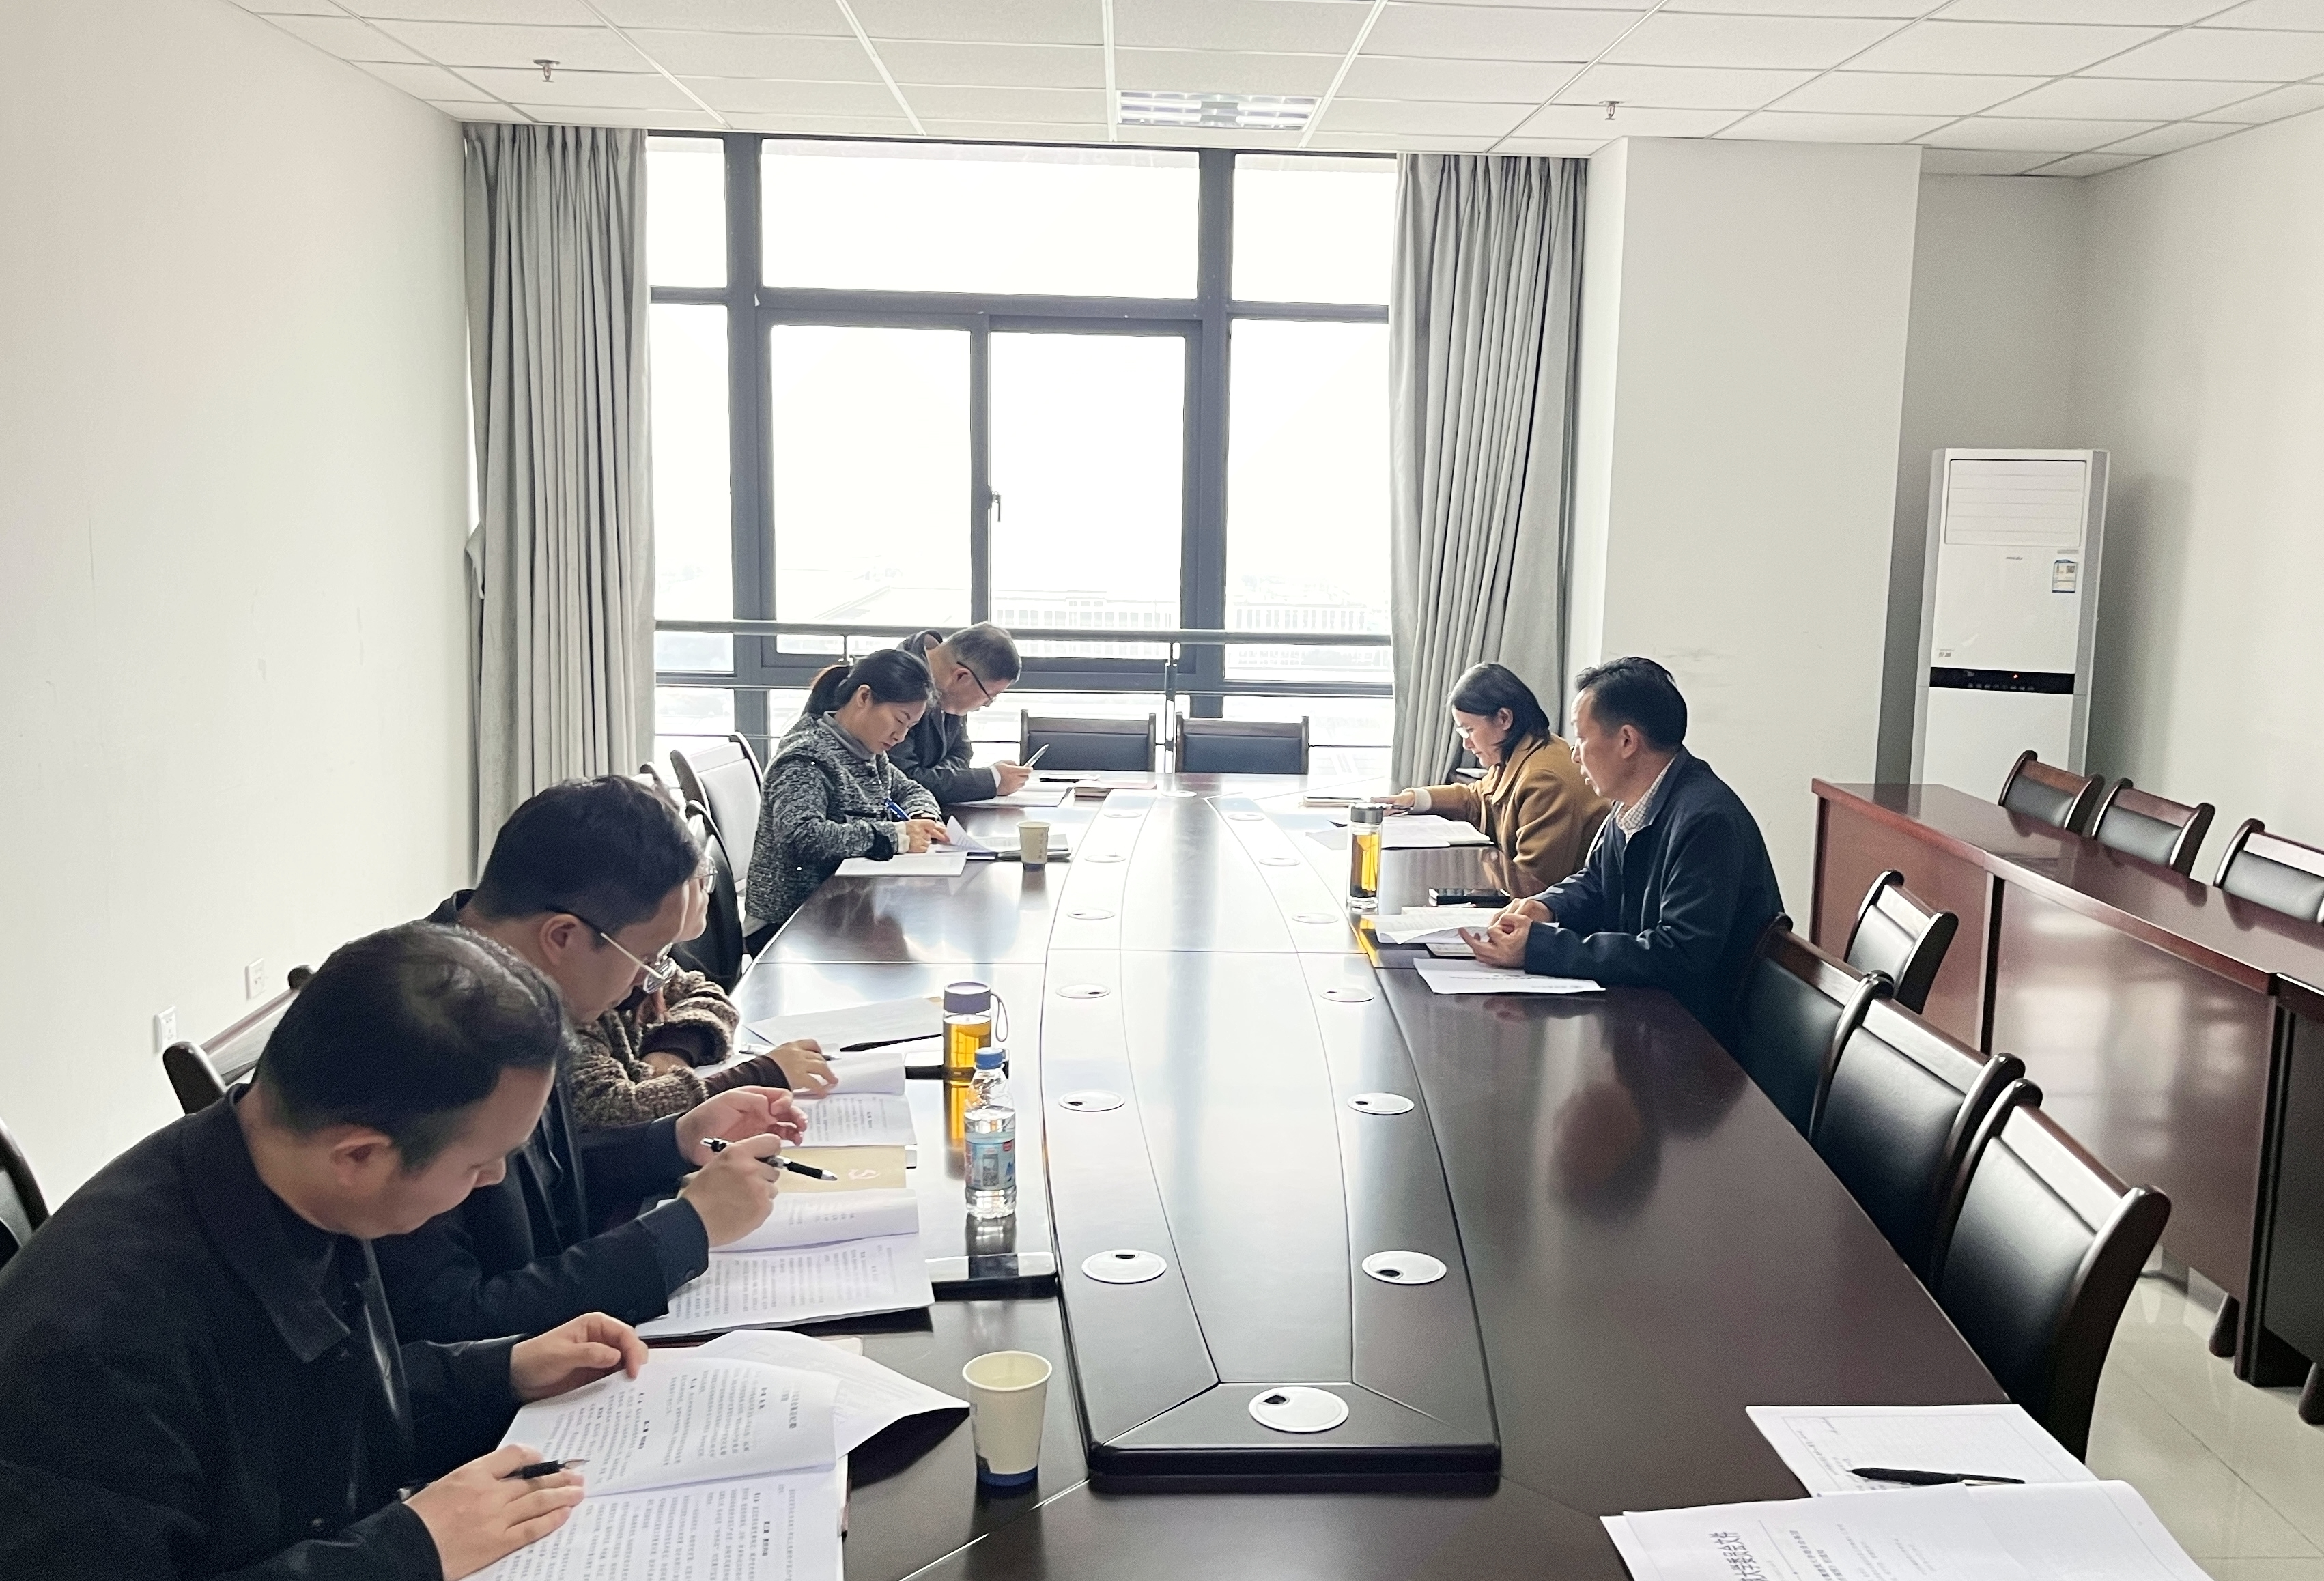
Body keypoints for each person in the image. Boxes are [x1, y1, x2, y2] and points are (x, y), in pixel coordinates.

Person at [0, 923, 654, 1580]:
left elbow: (308, 1408)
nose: (494, 1180)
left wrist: (501, 1371)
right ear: (359, 1157)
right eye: (479, 1163)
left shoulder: (287, 1177)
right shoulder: (97, 1344)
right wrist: (407, 1551)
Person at [376, 776, 806, 1343]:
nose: (649, 986)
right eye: (648, 958)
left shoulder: (512, 985)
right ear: (563, 937)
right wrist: (688, 1229)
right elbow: (452, 1323)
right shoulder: (415, 1038)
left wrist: (676, 1139)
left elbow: (550, 1181)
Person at [1465, 657, 1782, 1041]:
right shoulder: (1633, 802)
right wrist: (1546, 906)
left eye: (1582, 738)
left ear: (1627, 741)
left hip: (1698, 1039)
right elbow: (1597, 881)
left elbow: (1679, 954)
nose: (1575, 755)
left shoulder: (1706, 821)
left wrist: (1540, 947)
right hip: (1643, 1016)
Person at [567, 857, 836, 1131]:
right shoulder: (575, 1004)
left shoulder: (633, 960)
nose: (707, 886)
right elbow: (609, 1109)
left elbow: (703, 992)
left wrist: (672, 1051)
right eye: (697, 878)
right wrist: (760, 1075)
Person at [745, 649, 948, 934]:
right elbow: (801, 836)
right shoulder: (806, 756)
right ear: (864, 697)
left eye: (910, 727)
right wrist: (897, 836)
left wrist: (922, 816)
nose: (901, 736)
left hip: (842, 908)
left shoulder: (868, 751)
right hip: (790, 923)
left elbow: (911, 790)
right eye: (899, 720)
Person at [1386, 661, 1609, 894]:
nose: (1466, 744)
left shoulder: (1544, 780)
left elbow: (1531, 883)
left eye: (1469, 730)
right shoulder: (1520, 751)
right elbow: (1477, 798)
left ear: (1504, 718)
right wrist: (1415, 799)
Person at [891, 623, 1032, 805]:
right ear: (961, 676)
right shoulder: (897, 685)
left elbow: (962, 752)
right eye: (990, 696)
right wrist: (992, 780)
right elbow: (902, 781)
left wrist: (937, 776)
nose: (987, 704)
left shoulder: (947, 689)